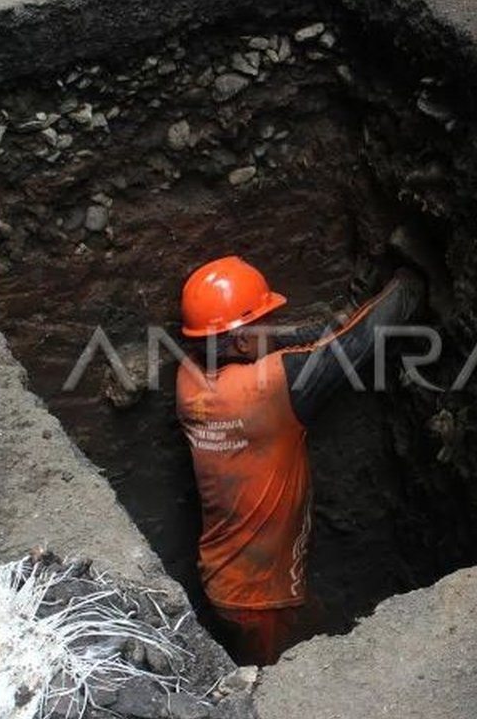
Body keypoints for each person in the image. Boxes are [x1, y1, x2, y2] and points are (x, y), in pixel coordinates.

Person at [175, 255, 424, 665]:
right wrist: (407, 285)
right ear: (239, 343)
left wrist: (343, 312)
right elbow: (352, 346)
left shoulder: (190, 374)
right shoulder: (267, 388)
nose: (272, 330)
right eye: (263, 324)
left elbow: (294, 346)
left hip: (228, 575)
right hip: (259, 600)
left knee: (317, 625)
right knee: (274, 680)